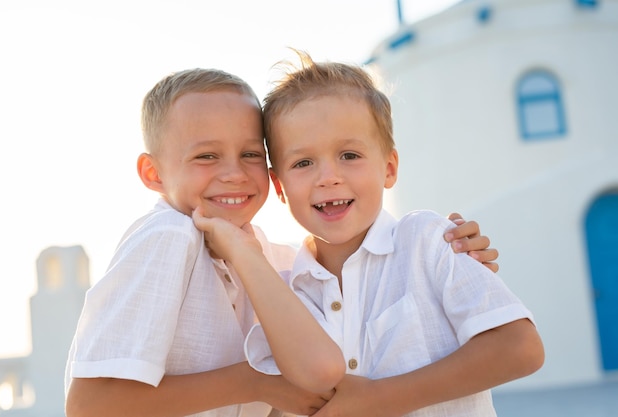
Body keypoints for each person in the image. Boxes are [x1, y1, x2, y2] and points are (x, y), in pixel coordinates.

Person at [65, 67, 501, 417]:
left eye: (251, 154)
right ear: (153, 174)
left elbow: (319, 372)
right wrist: (254, 380)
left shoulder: (278, 261)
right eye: (206, 155)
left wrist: (454, 253)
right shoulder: (170, 236)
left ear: (270, 173)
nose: (234, 173)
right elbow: (89, 407)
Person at [194, 51, 544, 417]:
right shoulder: (282, 297)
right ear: (279, 187)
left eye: (349, 155)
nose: (328, 176)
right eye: (303, 163)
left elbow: (521, 349)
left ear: (389, 168)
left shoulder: (430, 240)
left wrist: (380, 399)